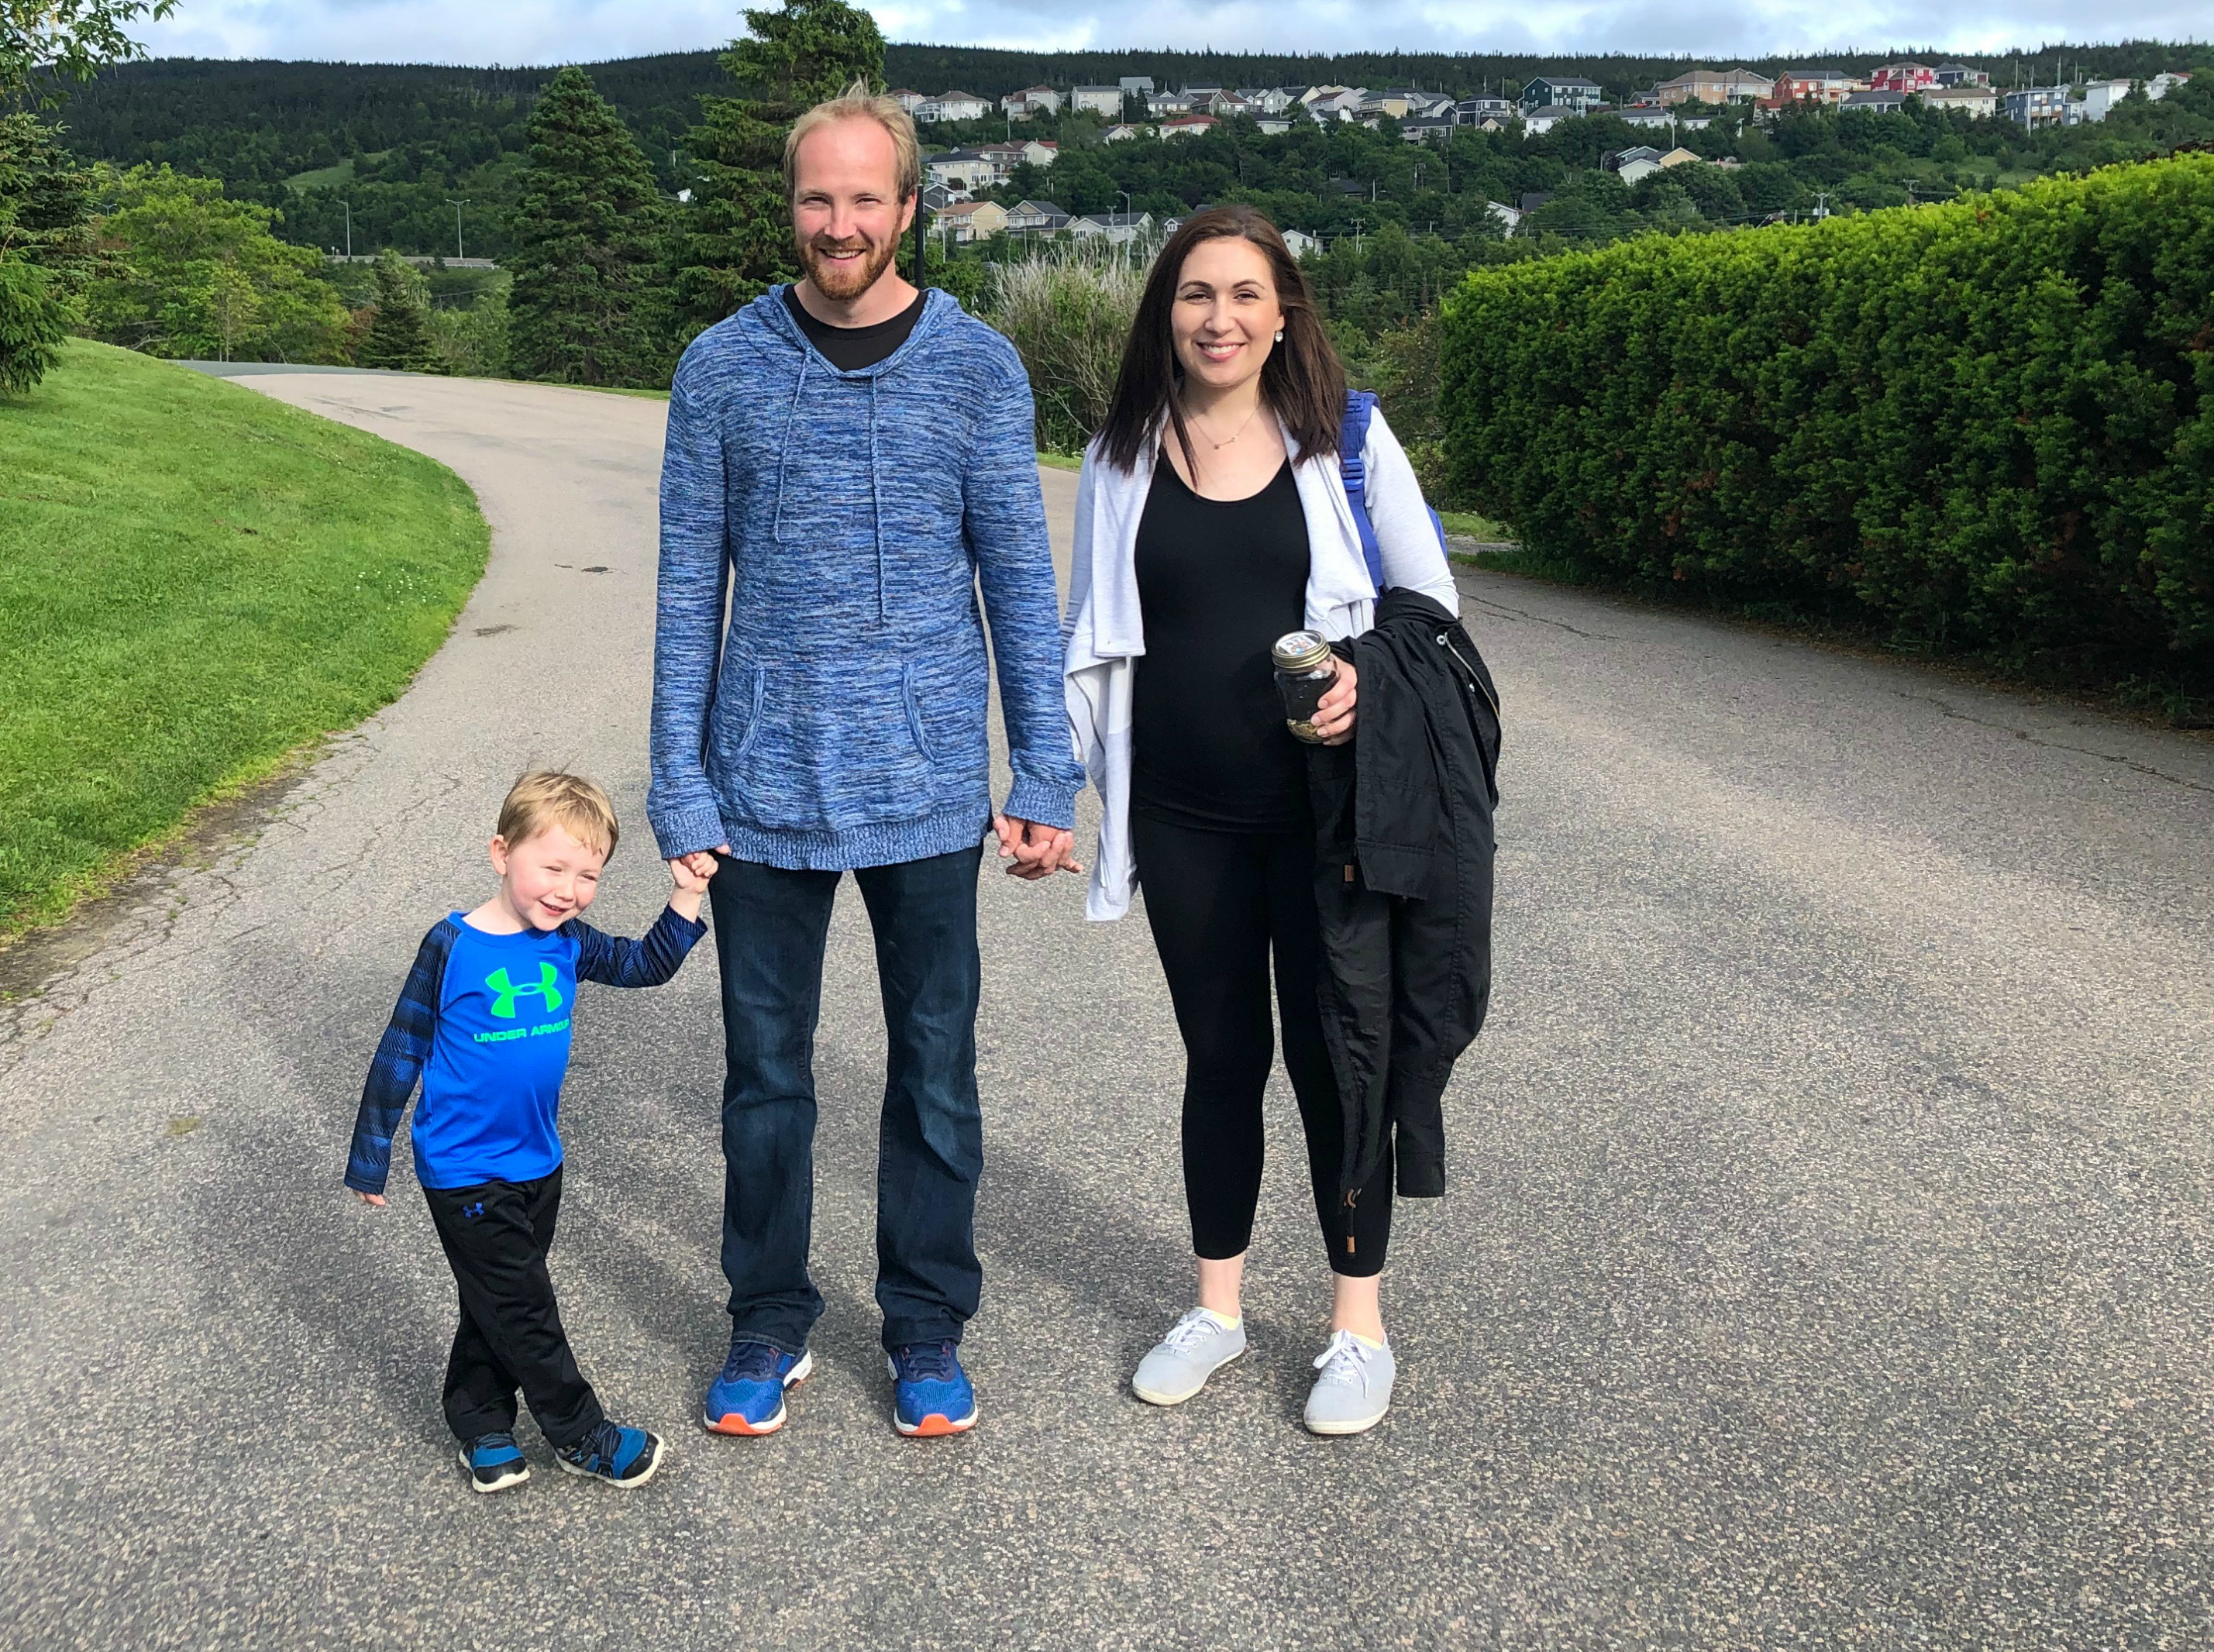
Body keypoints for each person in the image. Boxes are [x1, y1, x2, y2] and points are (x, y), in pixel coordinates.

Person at [649, 81, 1083, 1440]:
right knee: (764, 1072)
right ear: (790, 207)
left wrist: (1042, 775)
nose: (838, 223)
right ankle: (766, 1313)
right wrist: (679, 776)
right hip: (761, 782)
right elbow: (681, 594)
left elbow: (1019, 578)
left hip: (926, 783)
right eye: (814, 197)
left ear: (909, 208)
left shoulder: (976, 369)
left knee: (933, 1062)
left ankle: (924, 1319)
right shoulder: (718, 366)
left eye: (863, 198)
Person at [1061, 205, 1496, 1437]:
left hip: (1325, 819)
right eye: (1198, 295)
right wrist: (1058, 788)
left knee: (1331, 1062)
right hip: (1187, 821)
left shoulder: (1344, 438)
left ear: (1283, 311)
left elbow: (1431, 600)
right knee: (1221, 1060)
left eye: (1246, 295)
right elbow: (1091, 639)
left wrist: (1367, 682)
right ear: (1167, 311)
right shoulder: (1121, 450)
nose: (1220, 319)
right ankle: (1220, 1308)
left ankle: (1359, 1327)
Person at [345, 770, 714, 1493]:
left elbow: (646, 964)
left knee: (497, 1301)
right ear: (501, 852)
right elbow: (401, 1048)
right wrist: (370, 1155)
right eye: (553, 867)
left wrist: (688, 892)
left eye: (588, 875)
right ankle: (582, 1435)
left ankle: (480, 1423)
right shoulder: (452, 947)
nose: (569, 889)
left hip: (538, 1161)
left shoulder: (568, 943)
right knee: (524, 1305)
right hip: (463, 1169)